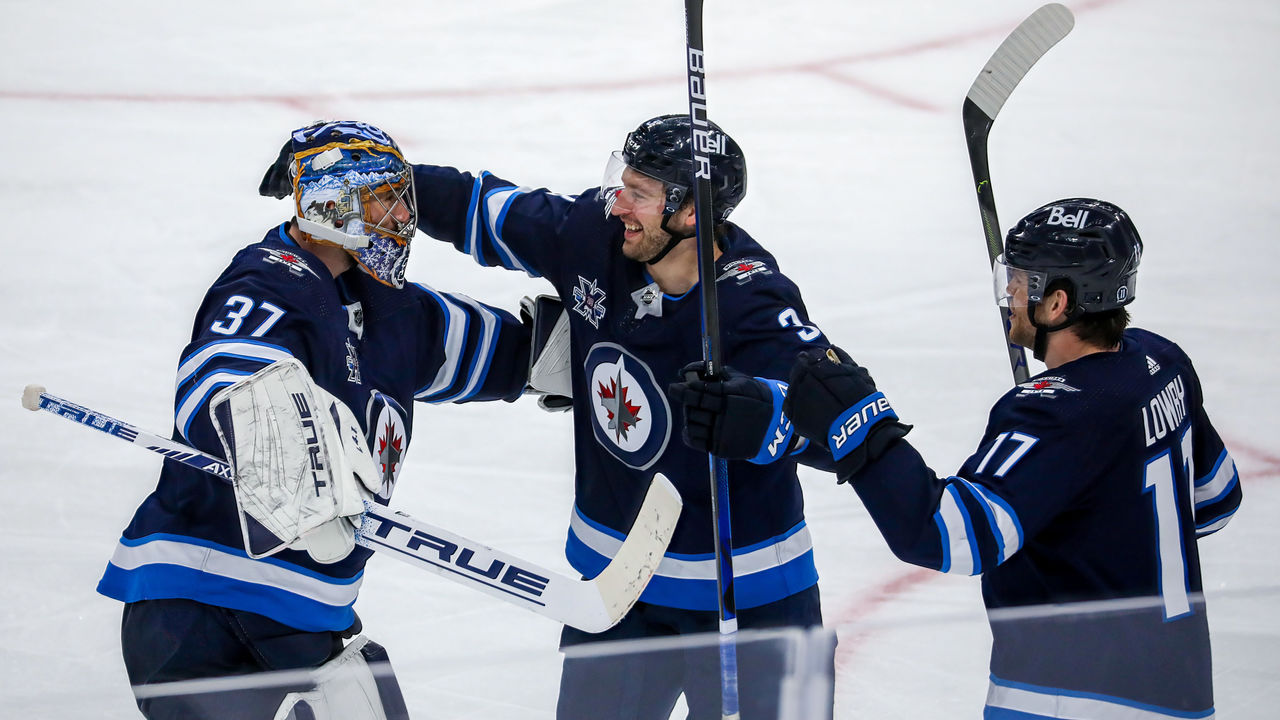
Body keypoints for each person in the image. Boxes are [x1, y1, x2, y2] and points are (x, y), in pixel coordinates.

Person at [673, 197, 1242, 719]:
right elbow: (1215, 500)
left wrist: (862, 427)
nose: (1009, 295)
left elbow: (946, 534)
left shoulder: (1057, 413)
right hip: (1183, 691)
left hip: (1066, 700)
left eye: (1020, 283)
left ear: (1058, 302)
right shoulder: (1163, 363)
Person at [96, 120, 532, 719]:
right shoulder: (270, 279)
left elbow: (522, 355)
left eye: (402, 196)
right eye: (383, 197)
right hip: (204, 606)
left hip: (305, 615)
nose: (404, 215)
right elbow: (222, 383)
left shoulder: (393, 304)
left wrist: (629, 327)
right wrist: (299, 472)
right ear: (332, 202)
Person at [408, 114, 837, 718]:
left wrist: (765, 419)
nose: (618, 205)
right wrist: (388, 181)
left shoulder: (753, 301)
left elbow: (846, 424)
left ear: (692, 213)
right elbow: (487, 209)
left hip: (752, 599)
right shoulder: (596, 235)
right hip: (615, 591)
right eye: (620, 182)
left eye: (639, 193)